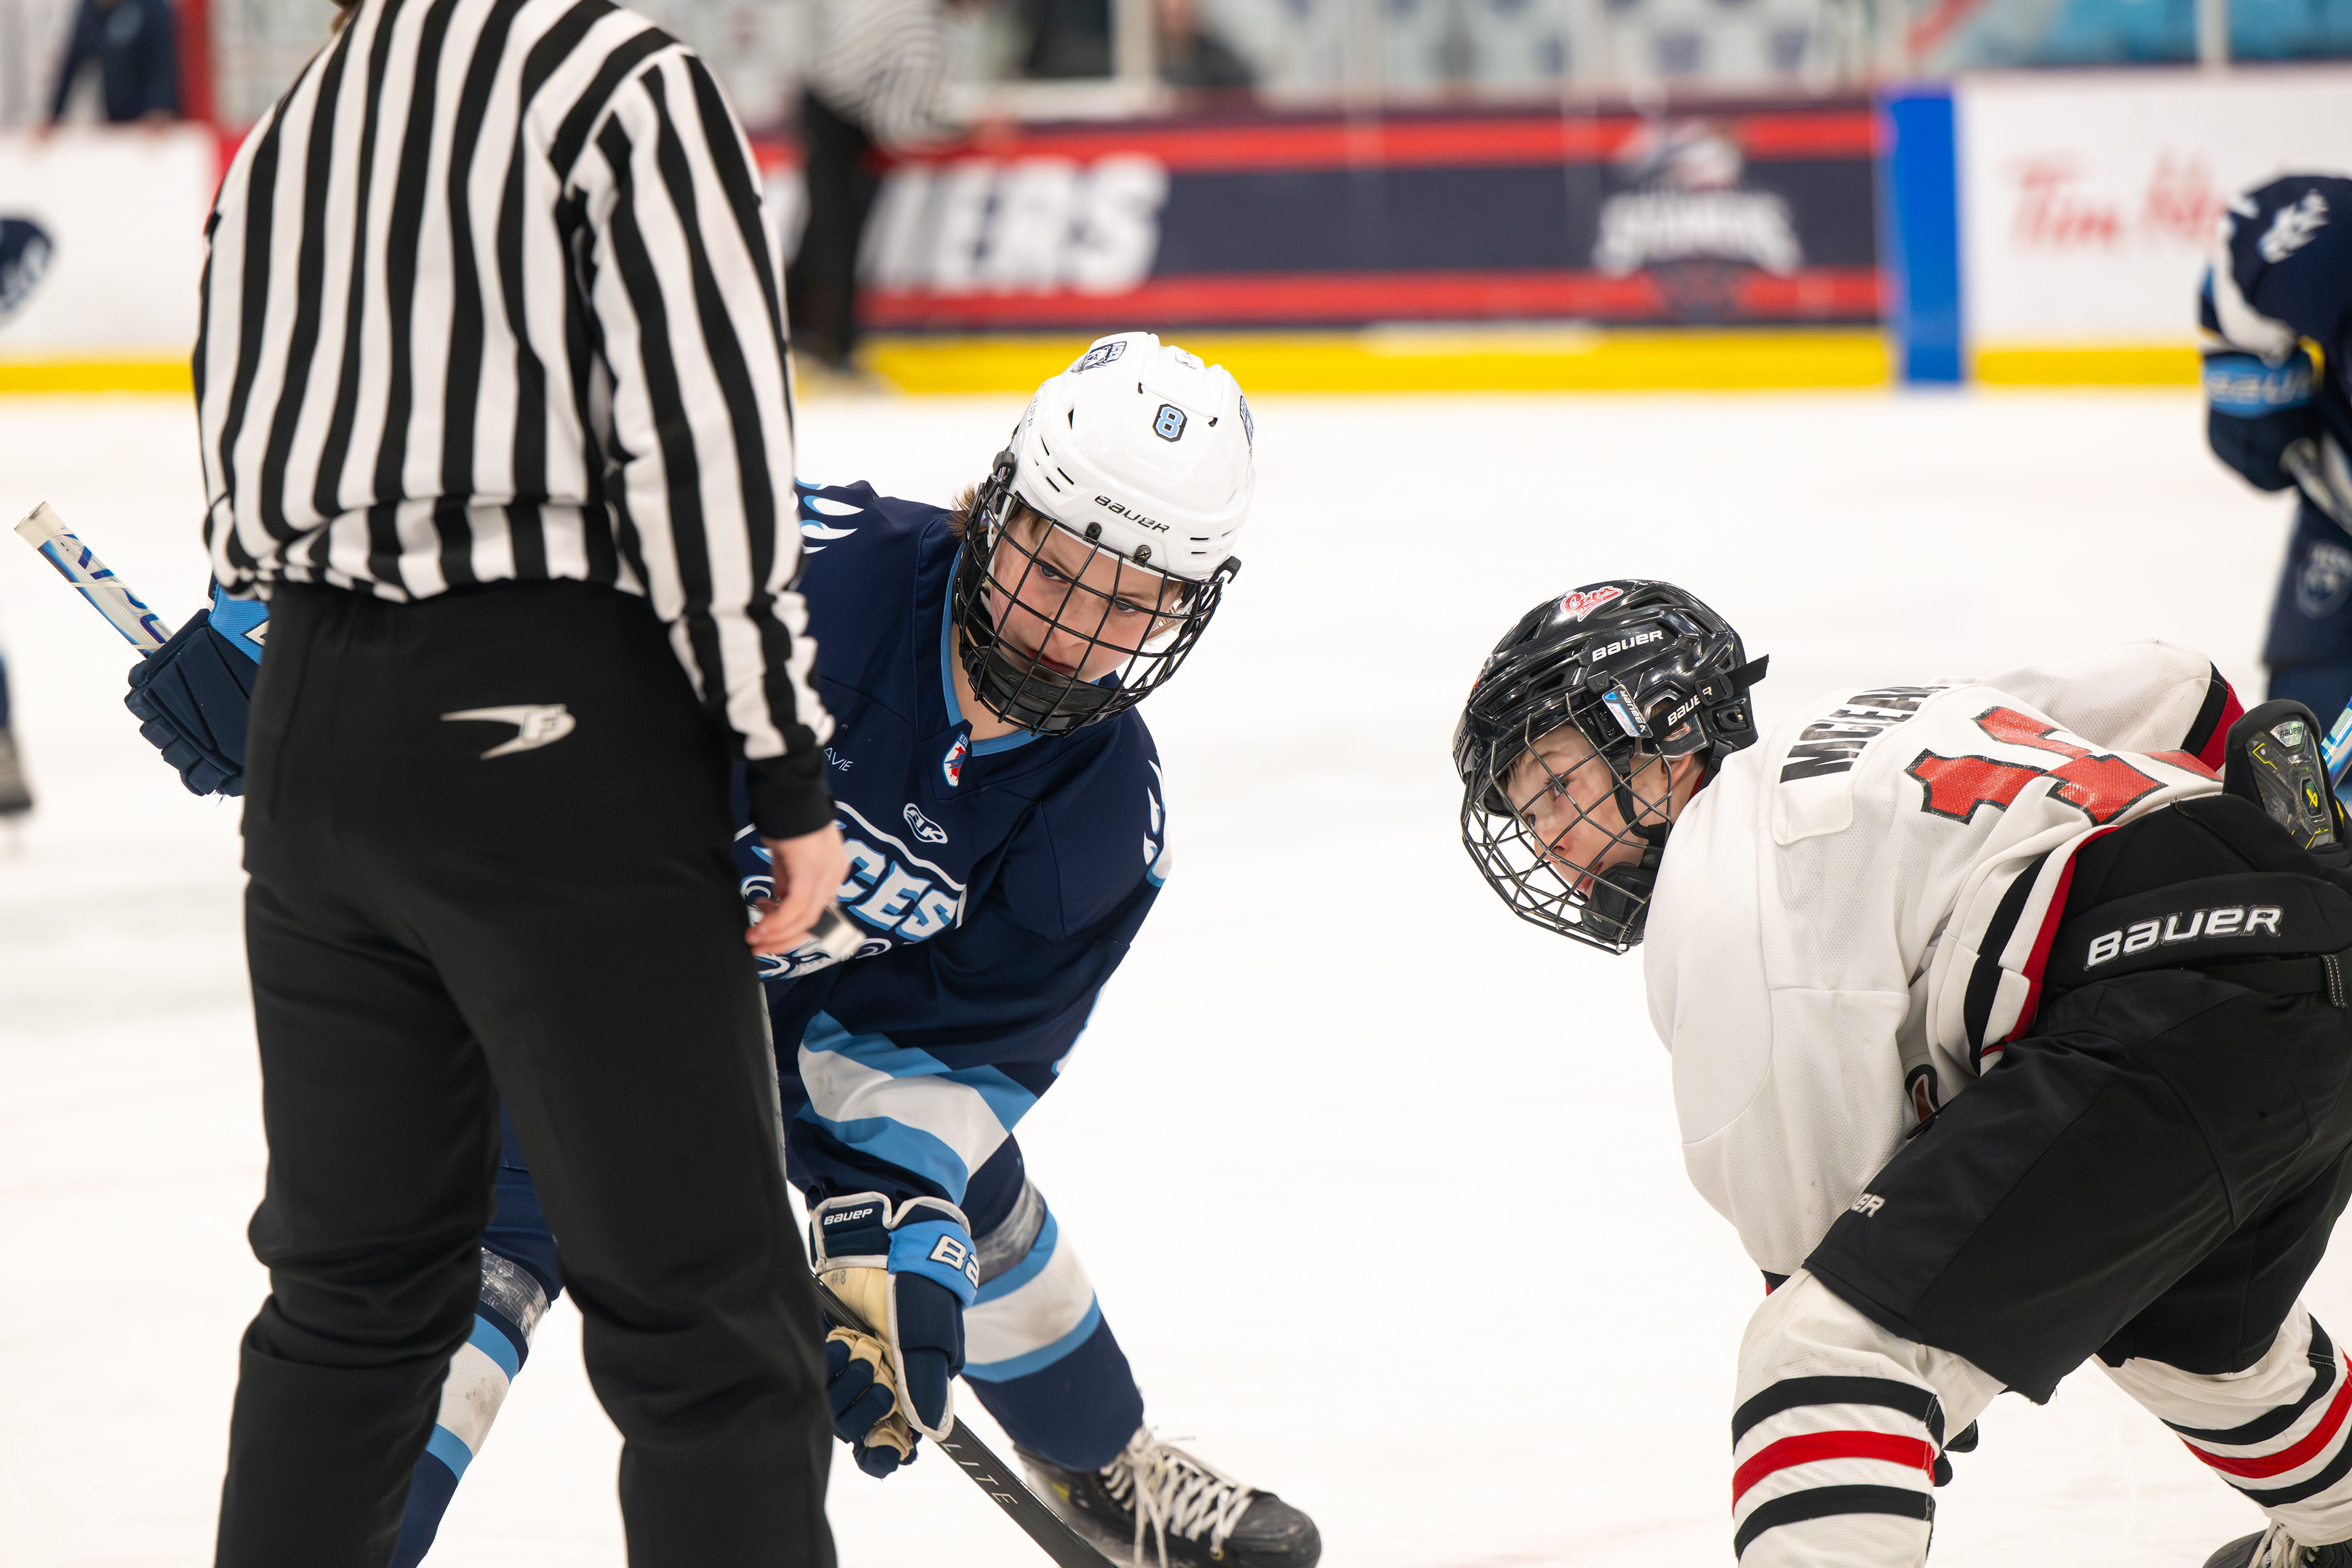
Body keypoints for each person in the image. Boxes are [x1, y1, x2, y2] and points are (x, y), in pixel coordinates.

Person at [142, 332, 1324, 1568]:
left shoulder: (1102, 817)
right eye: (1056, 563)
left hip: (792, 1013)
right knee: (457, 1285)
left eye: (1130, 599)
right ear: (996, 504)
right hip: (546, 979)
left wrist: (892, 1236)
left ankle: (1102, 1460)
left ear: (1190, 607)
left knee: (973, 1209)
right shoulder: (793, 571)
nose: (1069, 626)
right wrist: (307, 659)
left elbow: (946, 1051)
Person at [173, 0, 850, 1559]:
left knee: (349, 1303)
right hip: (548, 722)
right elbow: (708, 457)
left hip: (316, 741)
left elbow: (237, 476)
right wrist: (782, 761)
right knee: (710, 1323)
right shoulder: (617, 81)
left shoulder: (294, 121)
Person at [1453, 578, 2352, 1567]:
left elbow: (1821, 1249)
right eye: (1525, 810)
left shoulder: (1716, 901)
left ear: (1664, 730)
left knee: (1821, 1355)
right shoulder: (1883, 716)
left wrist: (1870, 1382)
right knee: (2198, 1331)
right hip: (2316, 969)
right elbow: (2179, 688)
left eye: (1557, 784)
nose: (1548, 836)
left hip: (2164, 1010)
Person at [2202, 173, 2352, 720]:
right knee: (2299, 734)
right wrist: (2266, 426)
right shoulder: (2324, 240)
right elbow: (2241, 262)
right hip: (2340, 524)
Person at [787, 0, 972, 372]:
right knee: (837, 236)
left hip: (827, 106)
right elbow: (900, 127)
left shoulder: (907, 12)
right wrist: (964, 129)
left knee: (821, 232)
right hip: (838, 121)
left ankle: (794, 328)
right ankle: (836, 346)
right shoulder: (919, 32)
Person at [44, 0, 176, 126]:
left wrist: (160, 106)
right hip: (115, 117)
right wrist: (54, 115)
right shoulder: (90, 9)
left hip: (150, 117)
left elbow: (163, 61)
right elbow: (72, 62)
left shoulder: (151, 7)